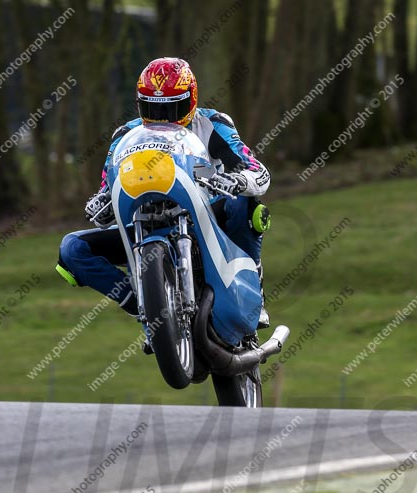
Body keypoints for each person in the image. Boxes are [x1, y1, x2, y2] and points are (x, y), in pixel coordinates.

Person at [57, 56, 271, 333]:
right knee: (72, 249)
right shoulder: (125, 134)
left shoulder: (214, 124)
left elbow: (258, 172)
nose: (164, 118)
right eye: (153, 108)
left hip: (207, 216)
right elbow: (107, 185)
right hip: (145, 220)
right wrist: (101, 201)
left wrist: (239, 180)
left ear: (191, 98)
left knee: (248, 205)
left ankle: (255, 288)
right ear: (139, 103)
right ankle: (147, 307)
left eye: (173, 108)